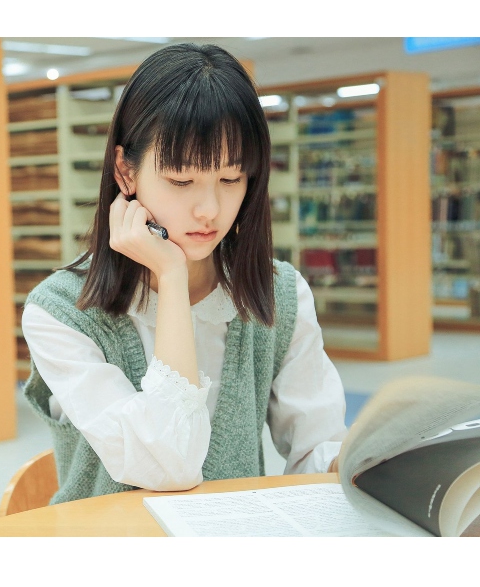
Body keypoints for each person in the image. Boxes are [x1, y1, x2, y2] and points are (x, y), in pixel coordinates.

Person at [21, 43, 348, 505]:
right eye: (181, 181)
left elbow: (316, 448)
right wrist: (172, 279)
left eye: (231, 179)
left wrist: (356, 460)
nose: (209, 209)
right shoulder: (60, 312)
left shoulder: (278, 294)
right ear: (125, 172)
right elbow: (169, 466)